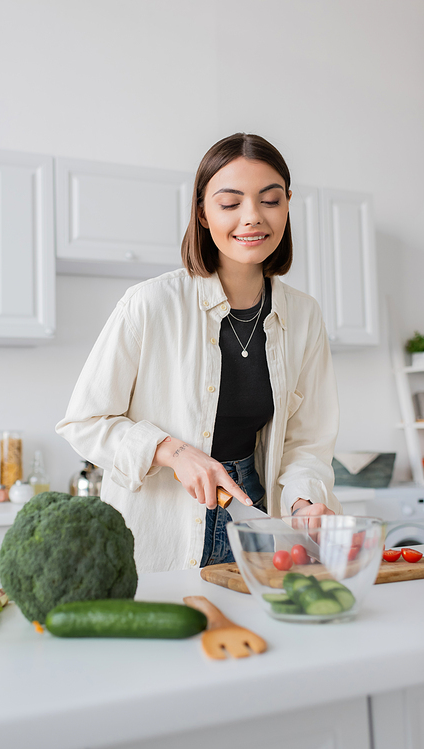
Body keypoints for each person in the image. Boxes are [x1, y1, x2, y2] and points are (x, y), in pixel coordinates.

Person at [56, 133, 342, 573]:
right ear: (203, 214)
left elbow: (306, 440)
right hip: (159, 527)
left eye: (270, 200)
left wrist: (304, 501)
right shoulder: (149, 304)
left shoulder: (304, 315)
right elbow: (85, 423)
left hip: (255, 516)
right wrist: (172, 452)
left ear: (287, 205)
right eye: (230, 203)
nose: (253, 218)